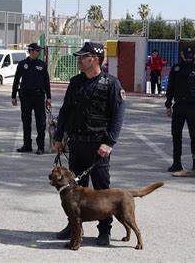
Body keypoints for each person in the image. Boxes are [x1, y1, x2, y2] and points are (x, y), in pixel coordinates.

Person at [53, 42, 126, 246]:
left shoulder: (111, 83)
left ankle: (105, 230)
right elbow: (65, 111)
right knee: (73, 190)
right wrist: (58, 138)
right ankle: (73, 226)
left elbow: (118, 115)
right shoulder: (76, 82)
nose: (79, 59)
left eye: (82, 56)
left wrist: (109, 143)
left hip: (98, 147)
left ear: (93, 59)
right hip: (76, 144)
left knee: (102, 191)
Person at [12, 43, 51, 154]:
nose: (39, 53)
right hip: (25, 97)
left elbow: (46, 82)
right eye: (37, 51)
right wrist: (13, 96)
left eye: (39, 50)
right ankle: (27, 144)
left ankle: (40, 146)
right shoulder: (22, 64)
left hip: (38, 97)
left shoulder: (42, 65)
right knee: (26, 121)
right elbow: (16, 80)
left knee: (41, 122)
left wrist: (49, 97)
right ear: (31, 51)